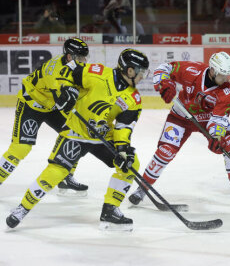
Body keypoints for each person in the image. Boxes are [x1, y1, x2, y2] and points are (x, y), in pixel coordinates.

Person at [6, 48, 150, 231]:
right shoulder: (97, 73)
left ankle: (110, 209)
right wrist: (66, 90)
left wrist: (122, 149)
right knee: (56, 170)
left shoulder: (134, 99)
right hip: (75, 131)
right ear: (130, 70)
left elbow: (123, 128)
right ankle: (22, 208)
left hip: (102, 136)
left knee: (130, 164)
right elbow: (67, 70)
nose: (143, 76)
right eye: (141, 72)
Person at [128, 51, 230, 206]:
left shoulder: (228, 93)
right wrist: (164, 83)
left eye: (228, 76)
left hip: (208, 120)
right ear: (213, 71)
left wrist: (216, 137)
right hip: (180, 117)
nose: (226, 80)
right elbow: (163, 68)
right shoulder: (192, 70)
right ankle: (142, 189)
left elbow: (219, 119)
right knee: (165, 152)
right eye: (222, 75)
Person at [0, 38, 89, 196]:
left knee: (76, 135)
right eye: (80, 58)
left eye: (84, 57)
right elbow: (63, 100)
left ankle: (65, 176)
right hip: (32, 104)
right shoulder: (55, 72)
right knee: (21, 148)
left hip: (51, 106)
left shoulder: (74, 66)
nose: (84, 61)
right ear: (69, 56)